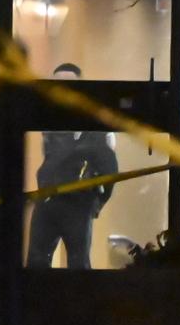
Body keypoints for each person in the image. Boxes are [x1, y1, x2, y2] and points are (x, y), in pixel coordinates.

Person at [28, 63, 120, 270]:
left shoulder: (95, 124)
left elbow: (110, 169)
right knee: (36, 261)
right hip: (48, 199)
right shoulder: (49, 118)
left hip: (79, 202)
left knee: (78, 263)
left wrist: (95, 203)